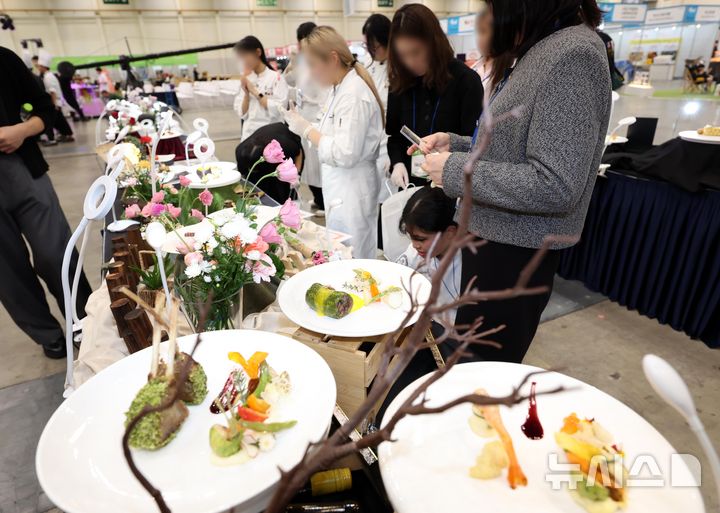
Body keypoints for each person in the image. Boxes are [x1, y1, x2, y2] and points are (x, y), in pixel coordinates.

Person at [415, 0, 612, 363]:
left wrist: (458, 171)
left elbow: (555, 183)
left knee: (483, 368)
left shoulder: (572, 56)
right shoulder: (544, 49)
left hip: (514, 255)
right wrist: (456, 144)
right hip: (495, 243)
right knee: (471, 360)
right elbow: (515, 146)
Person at [0, 46, 92, 359]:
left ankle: (86, 320)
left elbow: (44, 106)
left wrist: (22, 130)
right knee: (8, 271)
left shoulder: (4, 59)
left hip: (22, 169)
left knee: (56, 252)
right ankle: (47, 333)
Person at [281, 26, 384, 260]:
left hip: (352, 188)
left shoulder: (354, 94)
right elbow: (331, 132)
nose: (312, 74)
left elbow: (345, 153)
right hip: (340, 186)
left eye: (313, 65)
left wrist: (305, 129)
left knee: (354, 256)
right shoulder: (339, 88)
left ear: (333, 58)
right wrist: (302, 122)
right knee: (342, 250)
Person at [386, 3, 484, 189]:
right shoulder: (399, 83)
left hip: (449, 189)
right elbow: (394, 135)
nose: (410, 62)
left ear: (433, 43)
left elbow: (474, 142)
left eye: (415, 52)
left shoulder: (465, 81)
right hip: (409, 185)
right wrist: (397, 163)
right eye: (402, 55)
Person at [396, 187, 461, 324]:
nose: (414, 245)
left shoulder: (467, 263)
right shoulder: (418, 251)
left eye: (421, 239)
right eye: (411, 237)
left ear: (450, 233)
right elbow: (396, 274)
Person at [289, 22, 327, 213]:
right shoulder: (303, 63)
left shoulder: (319, 63)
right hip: (303, 118)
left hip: (316, 119)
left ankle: (323, 201)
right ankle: (318, 199)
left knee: (318, 165)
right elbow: (290, 80)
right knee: (308, 165)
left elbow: (321, 94)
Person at [233, 36, 289, 142]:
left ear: (258, 52)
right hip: (249, 135)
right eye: (241, 57)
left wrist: (255, 92)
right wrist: (246, 94)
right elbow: (241, 113)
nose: (244, 61)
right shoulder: (247, 79)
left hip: (271, 135)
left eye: (245, 56)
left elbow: (280, 108)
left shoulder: (275, 78)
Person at [362, 14, 392, 205]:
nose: (371, 51)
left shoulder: (400, 69)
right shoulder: (368, 65)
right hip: (370, 140)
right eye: (367, 46)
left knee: (388, 199)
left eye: (374, 46)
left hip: (389, 142)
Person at [235, 122, 302, 204]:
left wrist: (297, 173)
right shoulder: (240, 151)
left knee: (282, 188)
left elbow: (299, 153)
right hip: (268, 139)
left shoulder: (285, 147)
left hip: (284, 142)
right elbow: (244, 177)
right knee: (259, 186)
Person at [472, 6, 513, 104]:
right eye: (478, 32)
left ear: (499, 34)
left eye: (483, 31)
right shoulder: (475, 66)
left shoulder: (511, 68)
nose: (479, 38)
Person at [37, 54, 74, 145]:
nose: (38, 68)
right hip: (55, 102)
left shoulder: (48, 77)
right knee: (58, 121)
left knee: (55, 121)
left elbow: (52, 91)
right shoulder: (49, 76)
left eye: (39, 66)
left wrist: (53, 104)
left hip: (54, 102)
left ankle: (62, 136)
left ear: (43, 67)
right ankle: (65, 134)